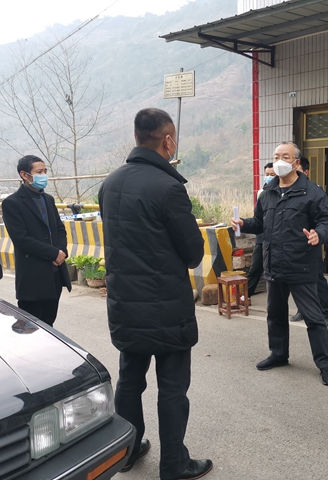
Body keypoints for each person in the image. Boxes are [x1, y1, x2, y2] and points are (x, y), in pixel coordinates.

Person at [98, 108, 212, 480]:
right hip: (167, 310)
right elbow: (193, 253)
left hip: (125, 306)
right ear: (168, 141)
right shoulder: (168, 188)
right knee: (172, 388)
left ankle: (127, 451)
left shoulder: (110, 184)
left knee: (130, 380)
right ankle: (174, 465)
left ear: (136, 137)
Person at [232, 141, 328, 386]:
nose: (279, 161)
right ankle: (278, 354)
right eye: (276, 156)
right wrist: (244, 224)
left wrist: (319, 234)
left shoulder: (311, 192)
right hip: (274, 265)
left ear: (296, 162)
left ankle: (325, 364)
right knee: (275, 315)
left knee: (314, 318)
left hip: (301, 266)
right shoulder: (268, 192)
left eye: (285, 156)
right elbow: (260, 222)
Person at [2, 155, 71, 327]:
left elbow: (59, 229)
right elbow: (22, 239)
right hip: (33, 277)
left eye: (45, 171)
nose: (43, 175)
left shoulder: (48, 199)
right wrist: (53, 253)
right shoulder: (12, 203)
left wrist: (61, 251)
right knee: (30, 328)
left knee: (49, 325)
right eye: (39, 172)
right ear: (24, 175)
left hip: (54, 274)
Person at [289, 156, 328, 325]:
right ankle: (302, 310)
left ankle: (326, 312)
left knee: (317, 279)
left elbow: (326, 219)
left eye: (298, 171)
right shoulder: (288, 191)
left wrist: (319, 233)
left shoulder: (314, 191)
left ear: (306, 172)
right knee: (298, 281)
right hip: (294, 247)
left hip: (310, 244)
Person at [247, 162, 275, 297]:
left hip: (274, 237)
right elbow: (257, 216)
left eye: (272, 174)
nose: (269, 177)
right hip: (261, 235)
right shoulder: (261, 193)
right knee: (255, 267)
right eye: (267, 174)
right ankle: (245, 295)